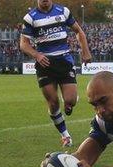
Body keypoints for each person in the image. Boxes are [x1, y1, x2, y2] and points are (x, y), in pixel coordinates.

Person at [19, 0, 92, 147]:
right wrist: (37, 55)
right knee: (53, 102)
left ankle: (69, 102)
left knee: (70, 100)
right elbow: (23, 44)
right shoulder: (30, 18)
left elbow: (78, 31)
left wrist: (85, 51)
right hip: (44, 63)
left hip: (64, 61)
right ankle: (65, 135)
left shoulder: (63, 11)